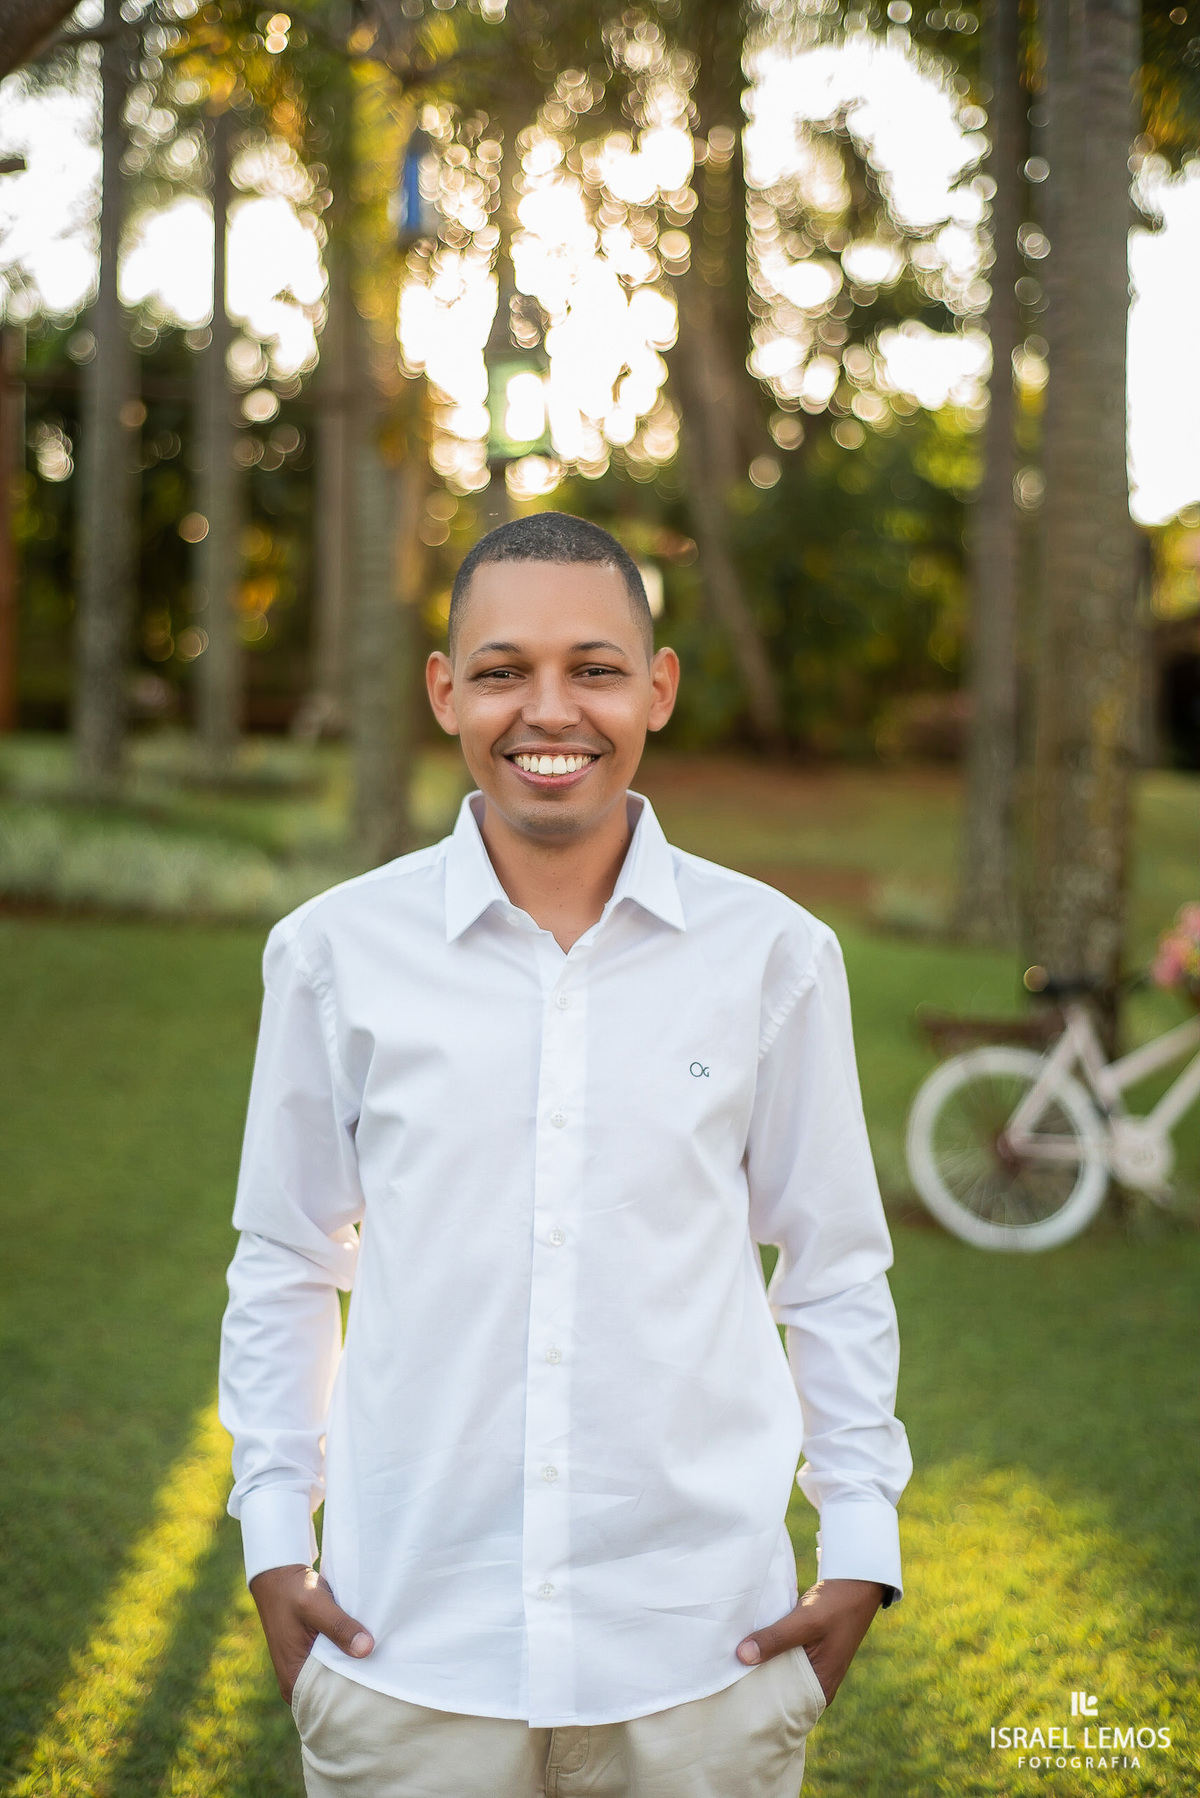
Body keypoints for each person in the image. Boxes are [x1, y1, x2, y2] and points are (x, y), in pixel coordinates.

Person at [219, 513, 911, 1798]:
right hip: (407, 1653)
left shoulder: (773, 955)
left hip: (703, 1659)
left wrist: (859, 1542)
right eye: (502, 670)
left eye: (594, 667)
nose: (550, 710)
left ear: (658, 687)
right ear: (444, 693)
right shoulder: (331, 954)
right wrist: (274, 1537)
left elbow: (830, 1266)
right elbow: (286, 1258)